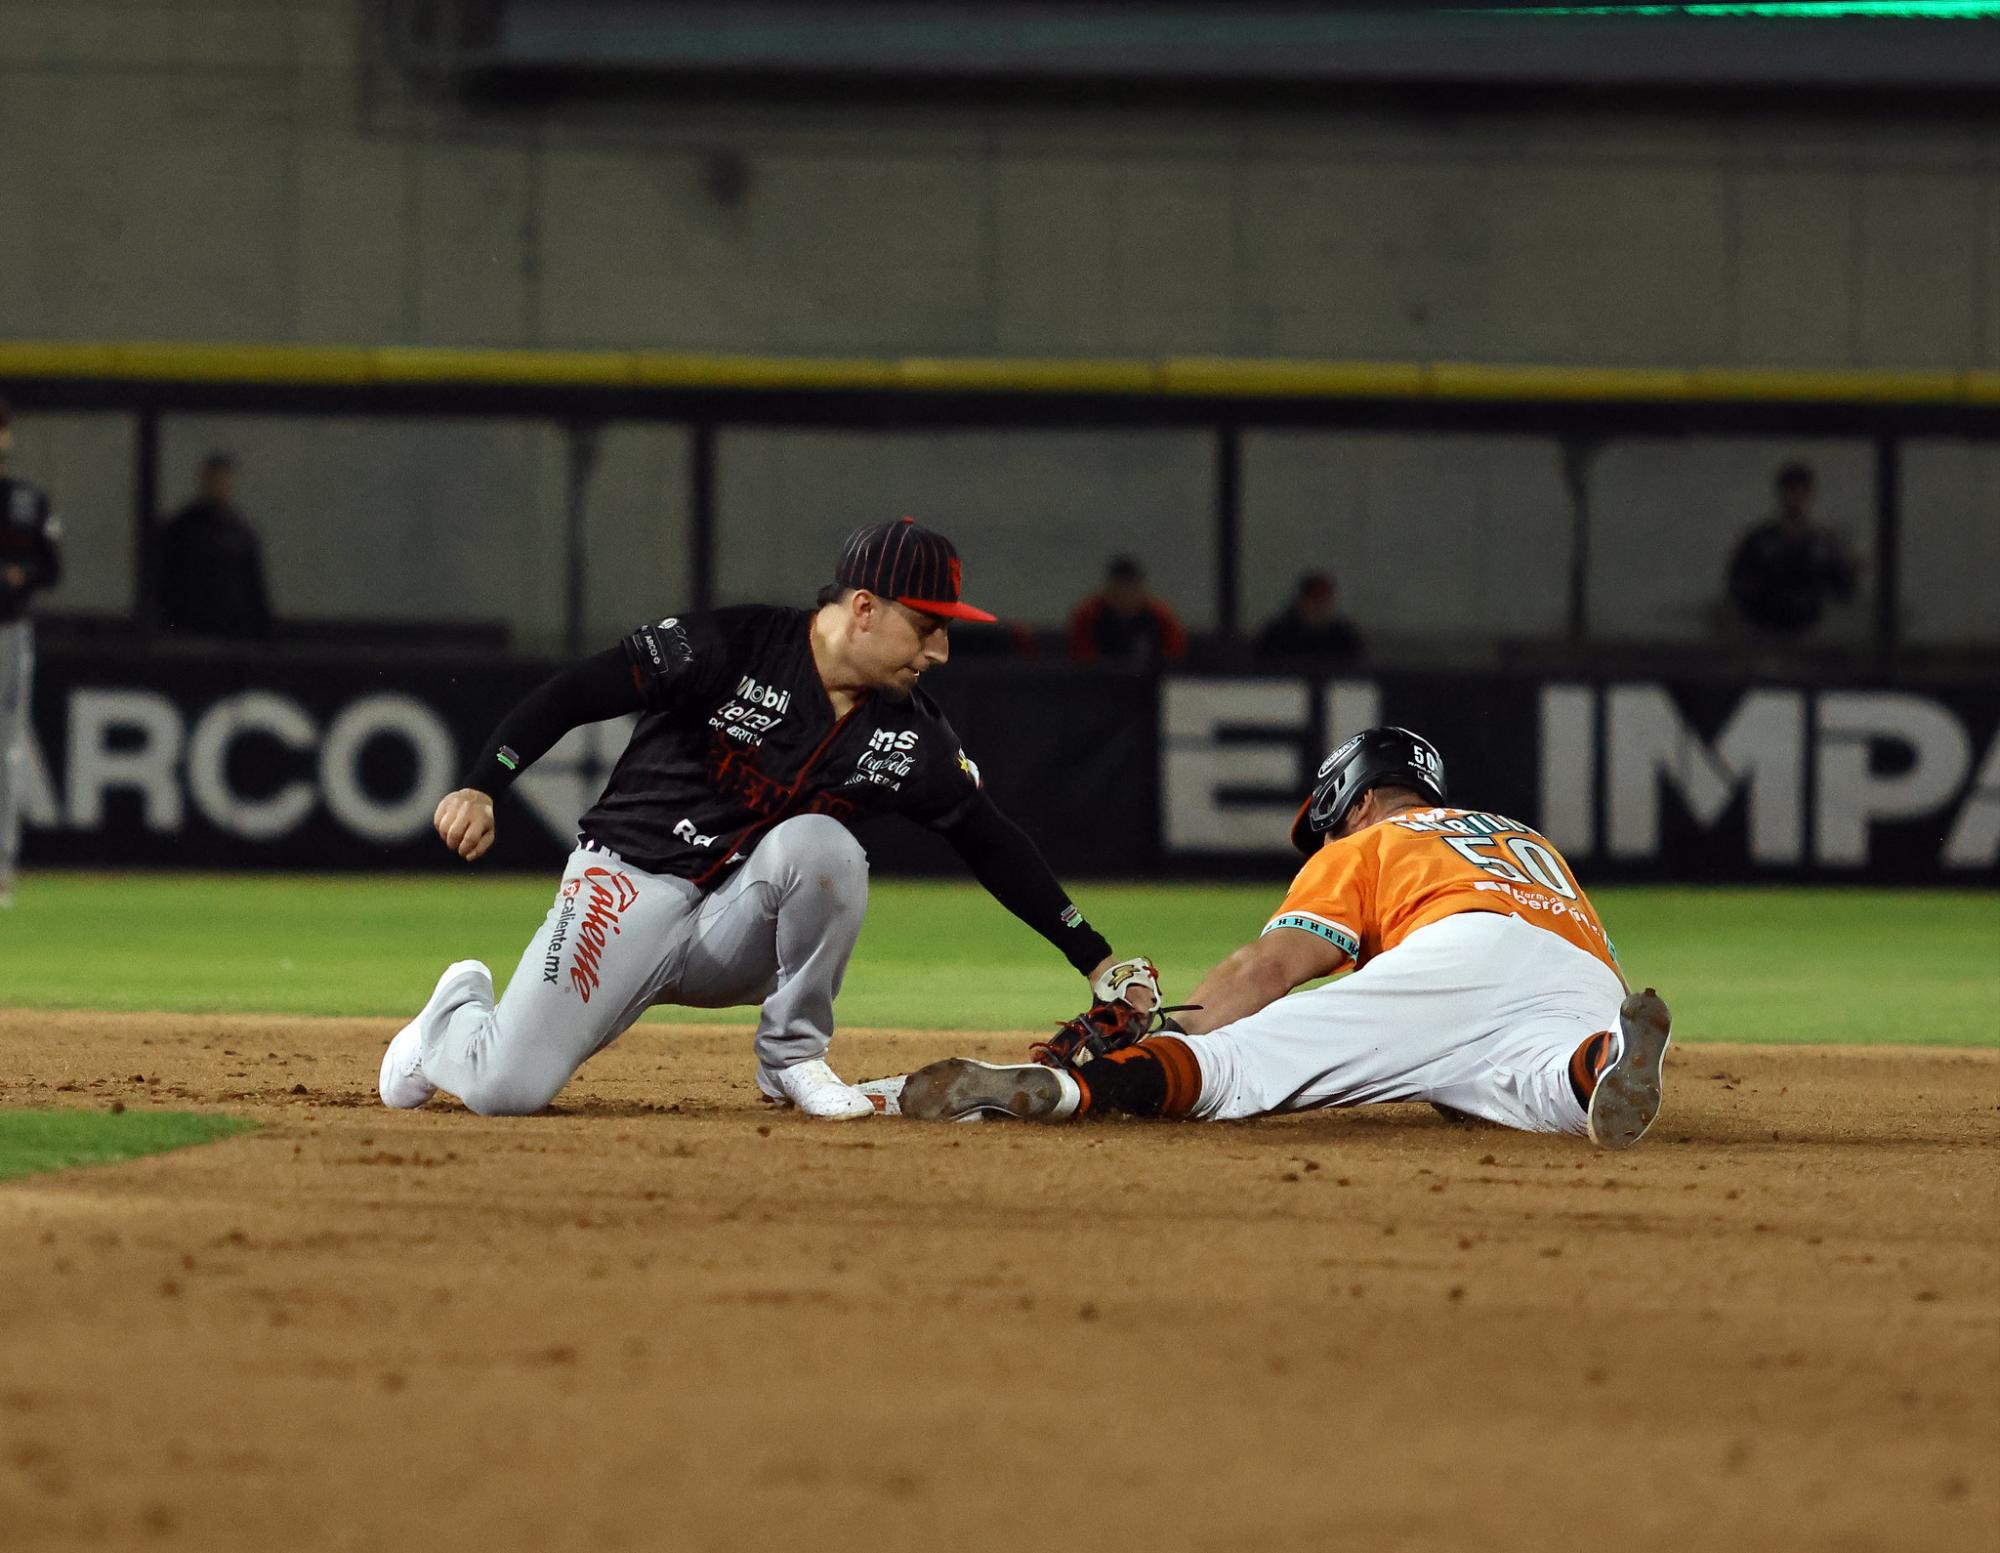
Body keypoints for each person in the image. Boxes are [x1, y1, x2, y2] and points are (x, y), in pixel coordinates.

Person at [377, 517, 1158, 1120]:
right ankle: (453, 1018)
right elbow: (575, 692)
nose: (942, 650)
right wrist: (484, 784)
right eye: (928, 625)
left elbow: (987, 836)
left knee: (825, 848)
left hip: (736, 934)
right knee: (506, 1089)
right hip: (627, 888)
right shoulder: (732, 645)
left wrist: (1094, 957)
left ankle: (791, 1057)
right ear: (863, 609)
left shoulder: (909, 730)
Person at [899, 726, 1673, 1151]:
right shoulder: (1518, 833)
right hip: (1590, 981)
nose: (1328, 838)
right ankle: (1598, 1062)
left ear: (1362, 800)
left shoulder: (1373, 840)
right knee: (1523, 1086)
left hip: (1459, 952)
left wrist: (1162, 1028)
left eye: (1332, 821)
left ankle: (1077, 1091)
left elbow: (1269, 967)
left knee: (1241, 1065)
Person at [0, 402, 62, 909]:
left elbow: (51, 568)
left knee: (5, 750)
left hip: (8, 631)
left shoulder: (26, 499)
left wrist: (21, 576)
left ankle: (0, 866)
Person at [1726, 462, 1862, 636]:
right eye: (1791, 492)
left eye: (1802, 493)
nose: (1796, 500)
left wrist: (1852, 573)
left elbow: (1843, 590)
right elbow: (1737, 583)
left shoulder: (1823, 544)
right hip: (1763, 628)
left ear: (1811, 496)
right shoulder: (1759, 541)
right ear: (1781, 495)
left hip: (1810, 629)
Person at [157, 453, 273, 641]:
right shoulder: (181, 529)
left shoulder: (240, 531)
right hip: (190, 628)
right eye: (215, 480)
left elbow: (254, 585)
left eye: (224, 481)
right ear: (203, 481)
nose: (220, 486)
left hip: (232, 630)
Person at [1066, 556, 1187, 665]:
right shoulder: (1088, 615)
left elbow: (1174, 654)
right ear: (1109, 589)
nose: (1125, 595)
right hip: (1100, 679)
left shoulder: (1160, 615)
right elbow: (1081, 658)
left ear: (1141, 589)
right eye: (1119, 589)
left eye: (1131, 589)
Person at [1253, 572, 1364, 664]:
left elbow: (1355, 661)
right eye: (1315, 599)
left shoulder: (1342, 634)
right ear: (1303, 599)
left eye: (1325, 599)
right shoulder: (1278, 633)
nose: (1320, 605)